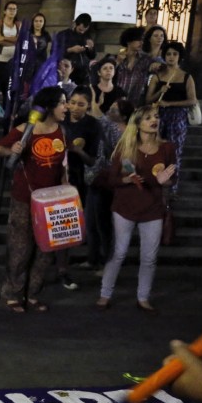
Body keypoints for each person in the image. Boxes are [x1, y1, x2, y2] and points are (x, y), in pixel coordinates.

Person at [0, 86, 69, 313]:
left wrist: (66, 185)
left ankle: (33, 293)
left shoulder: (62, 132)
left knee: (46, 250)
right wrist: (11, 150)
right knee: (20, 248)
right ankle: (13, 293)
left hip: (52, 201)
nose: (66, 107)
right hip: (24, 198)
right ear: (49, 107)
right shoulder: (27, 129)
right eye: (62, 103)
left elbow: (64, 164)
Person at [96, 105, 177, 313]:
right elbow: (111, 179)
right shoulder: (125, 147)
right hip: (125, 207)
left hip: (152, 209)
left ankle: (143, 297)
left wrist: (165, 182)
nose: (154, 120)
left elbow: (171, 178)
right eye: (148, 118)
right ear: (138, 123)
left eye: (156, 117)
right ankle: (105, 294)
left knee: (149, 257)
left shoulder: (167, 148)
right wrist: (127, 179)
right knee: (119, 252)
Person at [84, 95, 133, 275]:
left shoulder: (119, 130)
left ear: (125, 116)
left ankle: (108, 263)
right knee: (92, 221)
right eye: (110, 108)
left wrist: (94, 103)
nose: (110, 111)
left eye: (114, 109)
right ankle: (93, 258)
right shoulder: (112, 127)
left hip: (109, 180)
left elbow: (100, 119)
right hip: (97, 177)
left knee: (104, 224)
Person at [57, 87, 100, 291]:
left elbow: (92, 160)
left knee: (66, 227)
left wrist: (77, 151)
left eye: (80, 104)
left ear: (89, 106)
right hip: (52, 177)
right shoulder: (59, 118)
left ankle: (63, 270)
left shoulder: (92, 125)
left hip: (76, 181)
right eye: (71, 102)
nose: (74, 107)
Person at [146, 42, 197, 195]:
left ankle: (171, 187)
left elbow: (192, 100)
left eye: (175, 54)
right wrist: (159, 92)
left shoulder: (186, 76)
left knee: (175, 152)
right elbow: (148, 99)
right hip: (157, 117)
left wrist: (170, 103)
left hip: (178, 118)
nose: (171, 57)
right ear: (164, 56)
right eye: (168, 54)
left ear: (179, 57)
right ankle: (153, 182)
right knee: (154, 149)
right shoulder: (157, 76)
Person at [15, 13, 52, 100]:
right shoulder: (26, 34)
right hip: (27, 64)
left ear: (44, 23)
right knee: (25, 89)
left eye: (40, 21)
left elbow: (48, 51)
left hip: (41, 64)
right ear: (32, 22)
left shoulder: (46, 35)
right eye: (36, 21)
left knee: (37, 88)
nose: (38, 23)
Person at [114, 27, 155, 103]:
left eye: (142, 40)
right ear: (128, 41)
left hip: (137, 102)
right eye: (138, 40)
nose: (141, 43)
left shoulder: (145, 60)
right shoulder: (116, 58)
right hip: (117, 102)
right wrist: (117, 62)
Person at [55, 13, 95, 86]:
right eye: (80, 29)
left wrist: (91, 48)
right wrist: (71, 50)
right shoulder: (64, 35)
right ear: (76, 24)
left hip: (83, 73)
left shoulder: (87, 36)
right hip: (68, 71)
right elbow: (55, 52)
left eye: (84, 30)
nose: (82, 32)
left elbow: (92, 56)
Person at [0, 1, 19, 96]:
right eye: (10, 9)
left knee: (9, 88)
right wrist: (13, 41)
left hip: (13, 59)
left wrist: (4, 38)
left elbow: (20, 40)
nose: (12, 11)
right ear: (4, 11)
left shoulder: (19, 25)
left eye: (14, 9)